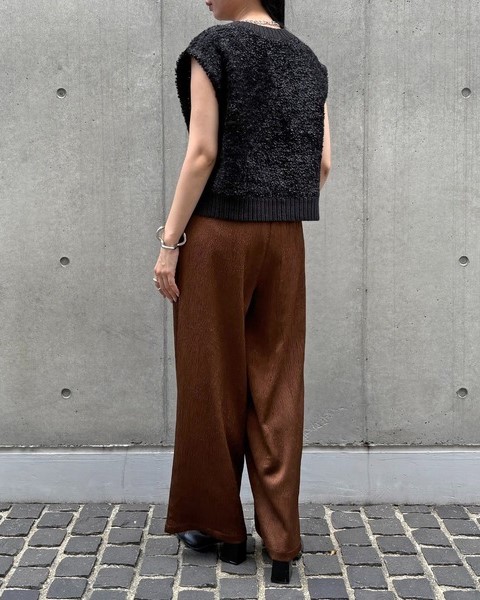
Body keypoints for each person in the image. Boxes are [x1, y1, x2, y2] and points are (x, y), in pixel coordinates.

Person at [153, 0, 331, 585]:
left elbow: (202, 152)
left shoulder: (214, 47)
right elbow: (323, 164)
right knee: (278, 381)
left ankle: (222, 532)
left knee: (211, 380)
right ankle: (281, 543)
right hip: (285, 237)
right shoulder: (308, 60)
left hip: (219, 235)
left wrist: (170, 242)